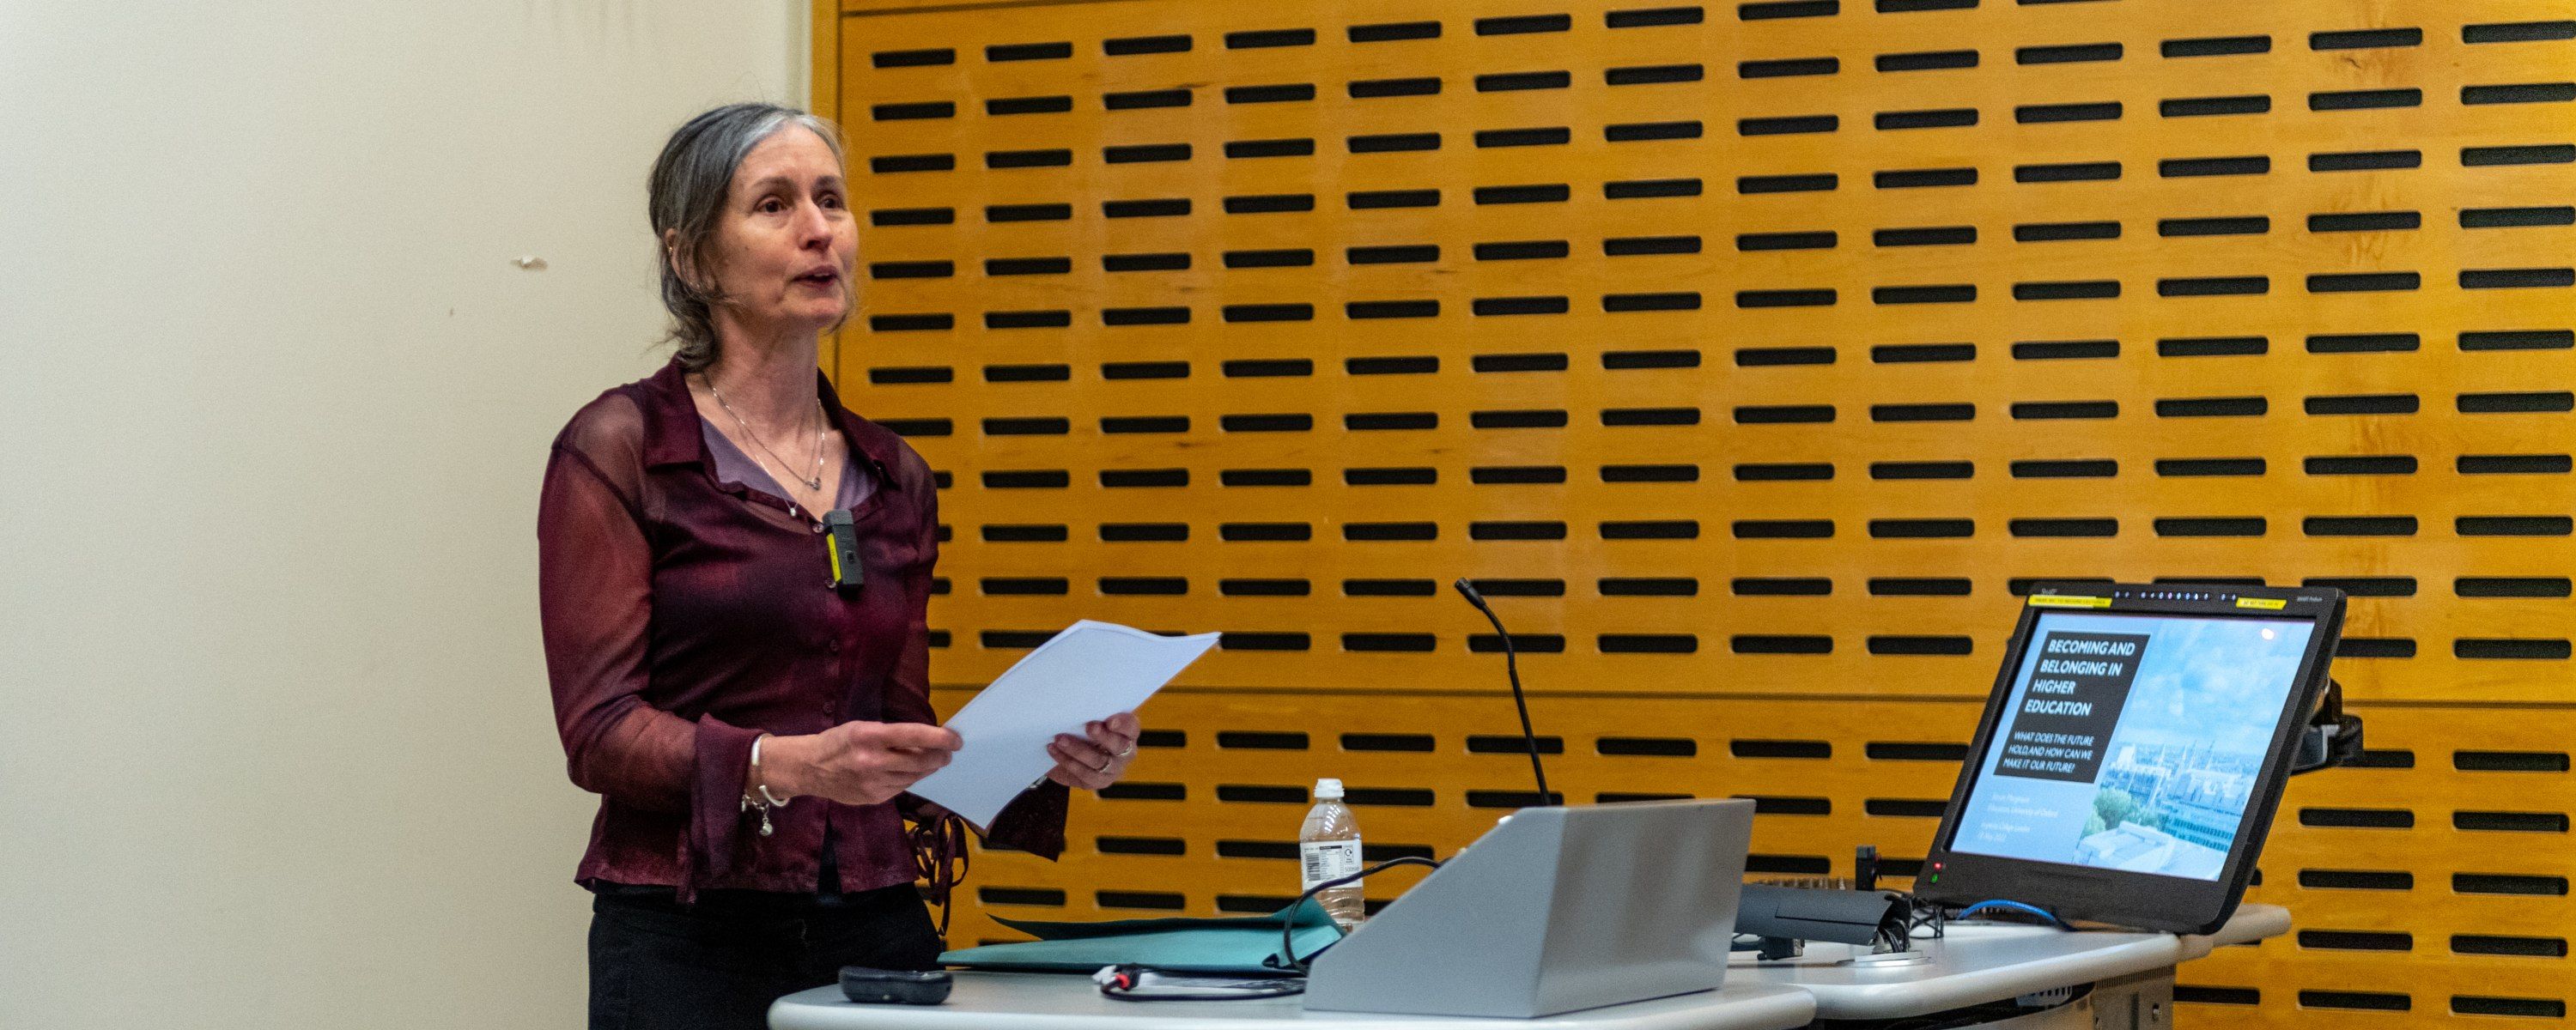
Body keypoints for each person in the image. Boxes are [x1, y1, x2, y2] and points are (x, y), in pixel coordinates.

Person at [538, 102, 1142, 1030]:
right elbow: (601, 733)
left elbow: (894, 734)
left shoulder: (893, 474)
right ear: (693, 258)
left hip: (878, 929)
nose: (820, 230)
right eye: (775, 205)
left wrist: (1046, 761)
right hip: (689, 934)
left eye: (831, 199)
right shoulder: (623, 447)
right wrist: (788, 763)